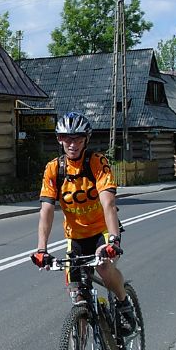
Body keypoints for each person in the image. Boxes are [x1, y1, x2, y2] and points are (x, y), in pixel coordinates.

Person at [31, 111, 136, 334]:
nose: (72, 143)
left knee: (104, 267)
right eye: (67, 138)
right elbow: (46, 210)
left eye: (78, 138)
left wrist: (114, 239)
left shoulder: (97, 163)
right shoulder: (53, 169)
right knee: (75, 289)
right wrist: (42, 249)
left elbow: (108, 203)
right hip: (75, 236)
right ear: (59, 140)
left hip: (103, 231)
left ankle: (124, 303)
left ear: (86, 140)